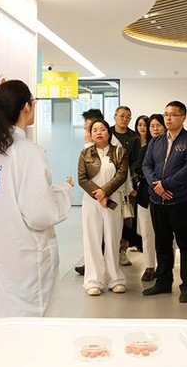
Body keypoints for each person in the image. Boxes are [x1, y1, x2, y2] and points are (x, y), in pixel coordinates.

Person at [0, 80, 74, 317]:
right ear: (26, 107)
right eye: (33, 101)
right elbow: (39, 214)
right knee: (30, 321)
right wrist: (65, 190)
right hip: (26, 255)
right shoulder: (30, 152)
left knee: (2, 315)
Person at [142, 101, 187, 303]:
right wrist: (156, 185)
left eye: (173, 114)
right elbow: (146, 165)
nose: (168, 118)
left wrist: (165, 184)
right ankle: (163, 282)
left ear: (183, 117)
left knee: (185, 243)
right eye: (166, 114)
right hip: (157, 201)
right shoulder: (156, 141)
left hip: (180, 201)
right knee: (162, 243)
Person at [78, 119, 129, 296]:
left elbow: (121, 175)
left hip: (112, 199)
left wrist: (104, 193)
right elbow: (82, 179)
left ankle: (115, 279)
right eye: (95, 130)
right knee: (92, 240)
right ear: (91, 134)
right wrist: (98, 195)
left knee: (113, 238)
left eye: (102, 129)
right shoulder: (85, 153)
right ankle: (94, 280)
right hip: (91, 202)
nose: (99, 132)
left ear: (109, 132)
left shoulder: (120, 152)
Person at [75, 108, 105, 277]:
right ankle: (91, 267)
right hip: (92, 197)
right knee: (92, 235)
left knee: (104, 235)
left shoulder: (107, 146)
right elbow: (83, 177)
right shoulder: (87, 146)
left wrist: (102, 193)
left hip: (105, 197)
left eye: (88, 128)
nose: (86, 132)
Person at [111, 106, 142, 266]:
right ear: (115, 116)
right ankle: (105, 252)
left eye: (127, 117)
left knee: (126, 219)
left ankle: (122, 251)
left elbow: (136, 161)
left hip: (127, 183)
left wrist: (128, 177)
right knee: (107, 218)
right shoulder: (107, 133)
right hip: (108, 183)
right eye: (121, 116)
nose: (124, 119)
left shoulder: (134, 138)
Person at [132, 115, 156, 281]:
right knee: (147, 232)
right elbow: (139, 168)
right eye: (152, 126)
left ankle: (165, 266)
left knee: (165, 234)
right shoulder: (144, 149)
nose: (155, 129)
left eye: (158, 125)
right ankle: (149, 266)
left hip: (166, 196)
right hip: (146, 196)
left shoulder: (171, 148)